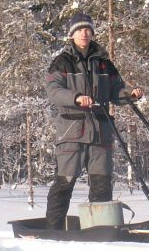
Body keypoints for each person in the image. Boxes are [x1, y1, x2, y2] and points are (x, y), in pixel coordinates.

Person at [44, 12, 143, 229]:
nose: (84, 33)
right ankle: (53, 229)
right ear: (71, 34)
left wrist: (130, 94)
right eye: (79, 30)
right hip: (72, 131)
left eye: (87, 29)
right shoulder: (62, 62)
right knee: (65, 182)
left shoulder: (104, 63)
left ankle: (99, 229)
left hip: (101, 131)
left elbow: (116, 90)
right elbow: (53, 91)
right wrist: (76, 98)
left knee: (101, 184)